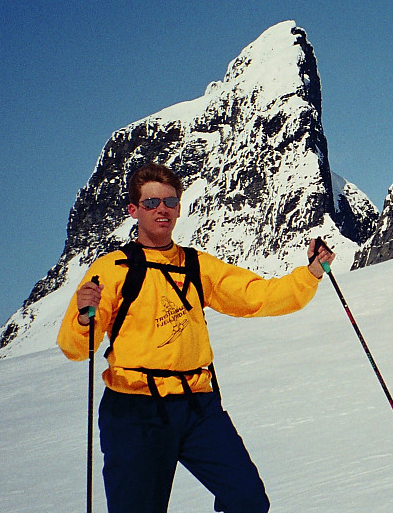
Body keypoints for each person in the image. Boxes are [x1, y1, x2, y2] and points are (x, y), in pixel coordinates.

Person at [57, 162, 335, 513]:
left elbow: (255, 296)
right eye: (151, 203)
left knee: (247, 499)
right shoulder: (112, 269)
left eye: (170, 202)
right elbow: (75, 349)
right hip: (135, 409)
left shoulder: (195, 265)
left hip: (197, 404)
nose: (162, 210)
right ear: (133, 211)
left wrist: (310, 273)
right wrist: (85, 317)